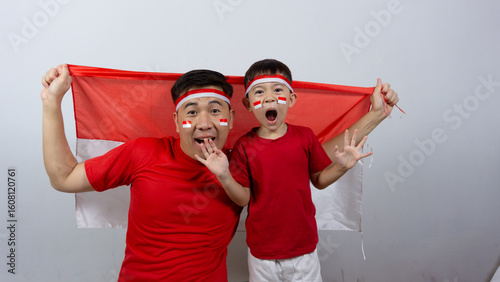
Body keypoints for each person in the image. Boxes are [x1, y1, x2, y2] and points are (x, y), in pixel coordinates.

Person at [196, 59, 399, 282]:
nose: (270, 97)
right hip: (262, 254)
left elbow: (319, 181)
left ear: (291, 99)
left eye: (278, 90)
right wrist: (224, 175)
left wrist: (341, 167)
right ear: (248, 104)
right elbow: (243, 198)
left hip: (304, 251)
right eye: (259, 91)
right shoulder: (244, 146)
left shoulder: (305, 137)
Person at [41, 64, 242, 281]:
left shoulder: (243, 165)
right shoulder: (143, 153)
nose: (204, 123)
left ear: (230, 118)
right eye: (192, 112)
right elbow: (64, 178)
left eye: (214, 111)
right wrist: (51, 101)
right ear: (176, 121)